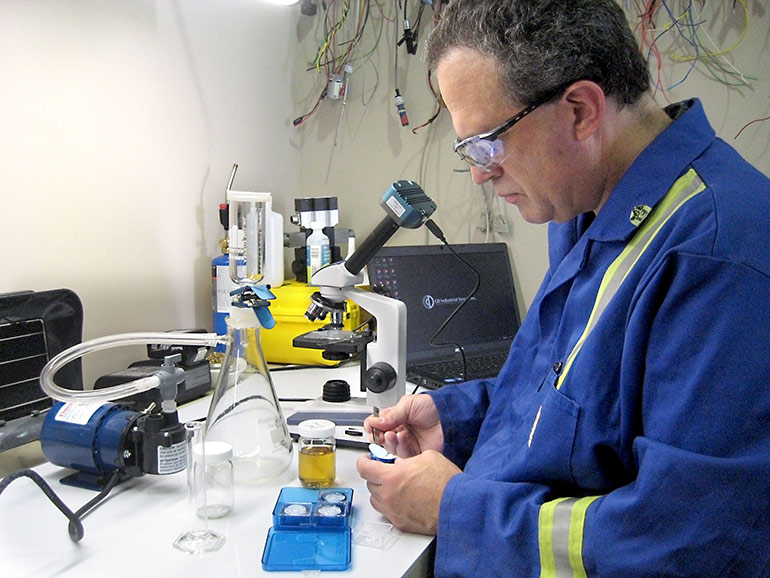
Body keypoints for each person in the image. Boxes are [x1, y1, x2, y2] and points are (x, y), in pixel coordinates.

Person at [355, 0, 770, 576]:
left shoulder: (720, 253)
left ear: (579, 110)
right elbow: (575, 396)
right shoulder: (588, 211)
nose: (479, 172)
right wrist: (457, 418)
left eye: (487, 143)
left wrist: (460, 511)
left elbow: (690, 540)